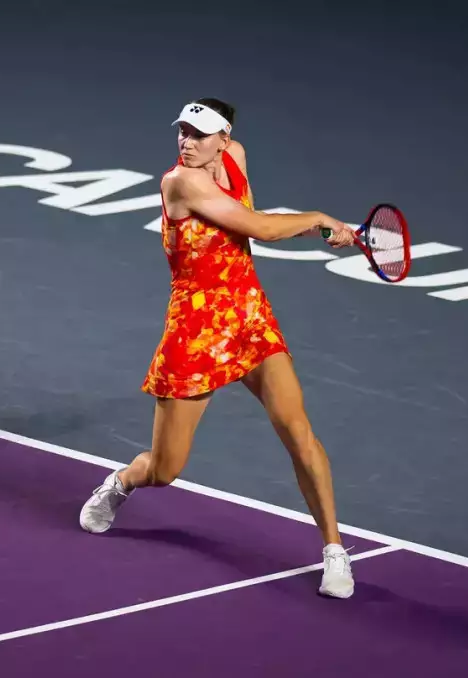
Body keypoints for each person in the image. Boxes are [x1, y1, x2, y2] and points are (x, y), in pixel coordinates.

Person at [78, 97, 360, 598]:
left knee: (299, 433)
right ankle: (122, 481)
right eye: (182, 132)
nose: (186, 142)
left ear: (224, 140)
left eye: (198, 135)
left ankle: (334, 551)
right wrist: (320, 218)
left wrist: (328, 230)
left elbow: (250, 226)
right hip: (195, 331)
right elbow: (261, 229)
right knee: (165, 470)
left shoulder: (237, 157)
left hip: (248, 317)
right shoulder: (179, 182)